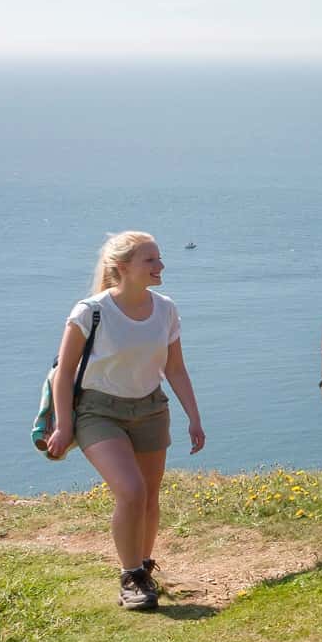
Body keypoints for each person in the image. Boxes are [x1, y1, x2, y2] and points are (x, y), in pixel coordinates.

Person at [47, 231, 206, 611]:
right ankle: (130, 576)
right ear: (123, 268)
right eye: (149, 260)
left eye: (159, 258)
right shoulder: (90, 311)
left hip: (151, 408)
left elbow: (176, 369)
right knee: (131, 492)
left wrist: (194, 418)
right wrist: (64, 426)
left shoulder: (166, 309)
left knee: (150, 498)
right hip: (98, 412)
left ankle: (143, 569)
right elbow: (64, 373)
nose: (160, 266)